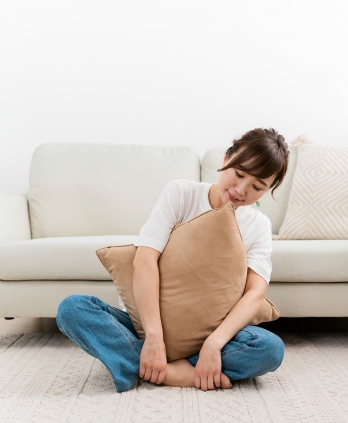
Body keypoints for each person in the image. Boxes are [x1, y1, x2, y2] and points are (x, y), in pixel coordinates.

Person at [56, 127, 290, 393]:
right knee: (72, 309)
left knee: (270, 349)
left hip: (209, 334)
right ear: (226, 158)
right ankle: (176, 370)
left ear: (267, 189)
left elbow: (255, 294)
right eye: (239, 174)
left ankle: (143, 365)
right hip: (144, 327)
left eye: (257, 187)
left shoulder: (258, 226)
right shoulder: (181, 194)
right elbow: (145, 261)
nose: (241, 189)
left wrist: (214, 344)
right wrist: (154, 337)